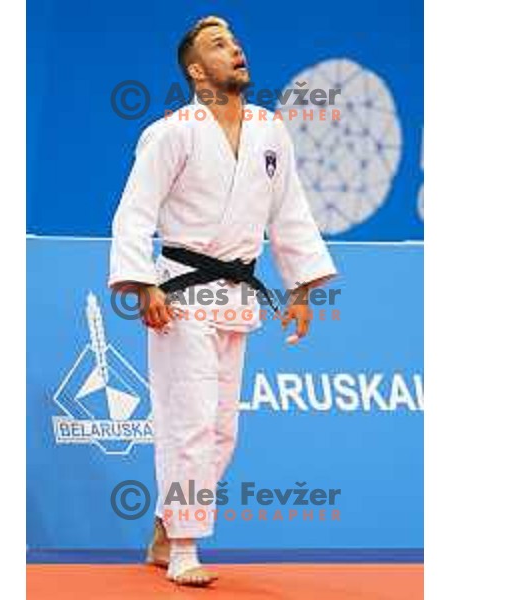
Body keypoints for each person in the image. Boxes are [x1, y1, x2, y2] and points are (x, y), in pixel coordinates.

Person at [108, 15, 337, 587]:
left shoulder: (269, 131)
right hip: (181, 296)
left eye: (235, 43)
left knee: (220, 432)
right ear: (194, 68)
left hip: (237, 297)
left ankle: (165, 530)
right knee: (187, 424)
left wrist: (302, 290)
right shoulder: (172, 132)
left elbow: (290, 214)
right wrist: (143, 283)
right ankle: (186, 546)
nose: (235, 50)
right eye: (218, 45)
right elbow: (135, 213)